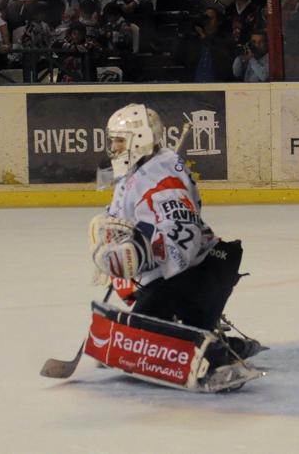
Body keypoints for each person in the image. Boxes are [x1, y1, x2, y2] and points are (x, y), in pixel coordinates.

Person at [88, 103, 263, 386]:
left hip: (203, 271)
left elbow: (184, 242)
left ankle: (212, 355)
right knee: (141, 333)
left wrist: (139, 255)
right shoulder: (138, 169)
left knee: (144, 339)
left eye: (119, 140)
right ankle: (198, 331)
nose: (114, 148)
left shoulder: (162, 180)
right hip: (186, 272)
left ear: (140, 139)